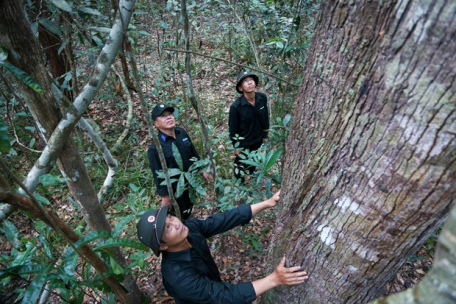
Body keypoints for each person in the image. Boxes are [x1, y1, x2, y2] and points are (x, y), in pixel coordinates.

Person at [136, 190, 308, 303]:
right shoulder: (179, 277)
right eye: (167, 228)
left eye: (170, 218)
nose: (175, 223)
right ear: (163, 247)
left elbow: (224, 219)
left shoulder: (190, 229)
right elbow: (222, 296)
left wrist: (267, 203)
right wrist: (273, 280)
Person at [147, 103, 210, 220]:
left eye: (170, 114)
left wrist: (201, 170)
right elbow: (157, 174)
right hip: (175, 189)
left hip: (190, 181)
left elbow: (193, 152)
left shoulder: (182, 133)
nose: (169, 117)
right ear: (156, 123)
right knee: (178, 215)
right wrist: (165, 196)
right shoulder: (155, 148)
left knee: (189, 207)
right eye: (163, 116)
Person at [228, 71, 270, 182]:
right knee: (240, 165)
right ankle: (239, 185)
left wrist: (265, 135)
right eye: (245, 81)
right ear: (241, 88)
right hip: (244, 142)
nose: (250, 83)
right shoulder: (236, 107)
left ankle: (252, 179)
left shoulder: (262, 98)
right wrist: (236, 146)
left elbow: (265, 117)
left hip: (258, 139)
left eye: (251, 80)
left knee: (254, 161)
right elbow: (233, 128)